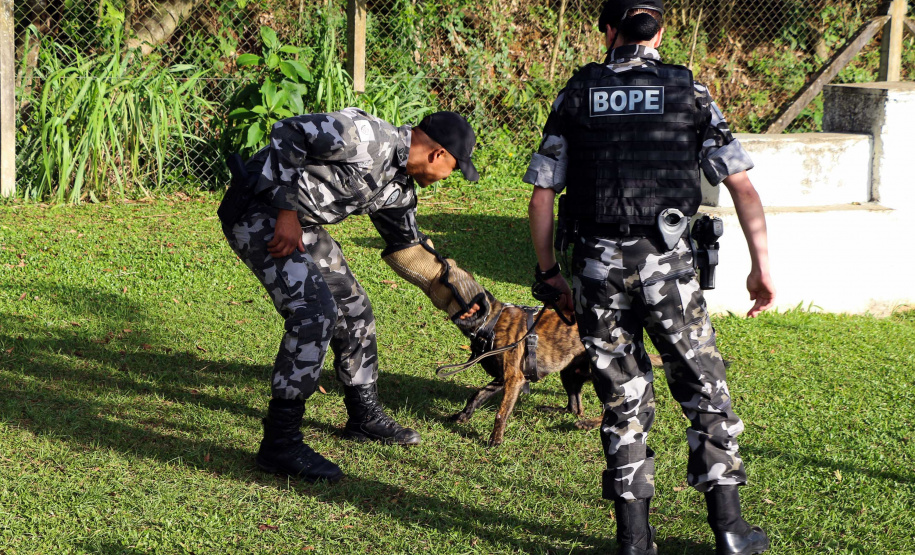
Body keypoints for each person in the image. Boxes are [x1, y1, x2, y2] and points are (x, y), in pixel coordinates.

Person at [525, 1, 776, 554]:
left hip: (595, 267)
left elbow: (543, 194)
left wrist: (548, 273)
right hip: (669, 265)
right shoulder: (689, 91)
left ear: (608, 31)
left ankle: (634, 542)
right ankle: (730, 531)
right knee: (703, 386)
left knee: (621, 398)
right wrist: (760, 267)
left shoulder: (577, 93)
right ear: (660, 30)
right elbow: (742, 187)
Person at [220, 108, 486, 483]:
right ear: (438, 154)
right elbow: (289, 131)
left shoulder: (399, 186)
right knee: (314, 313)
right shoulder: (365, 136)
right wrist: (286, 212)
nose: (451, 177)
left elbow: (410, 251)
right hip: (260, 212)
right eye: (456, 168)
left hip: (303, 224)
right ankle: (280, 442)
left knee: (354, 309)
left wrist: (463, 297)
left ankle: (363, 417)